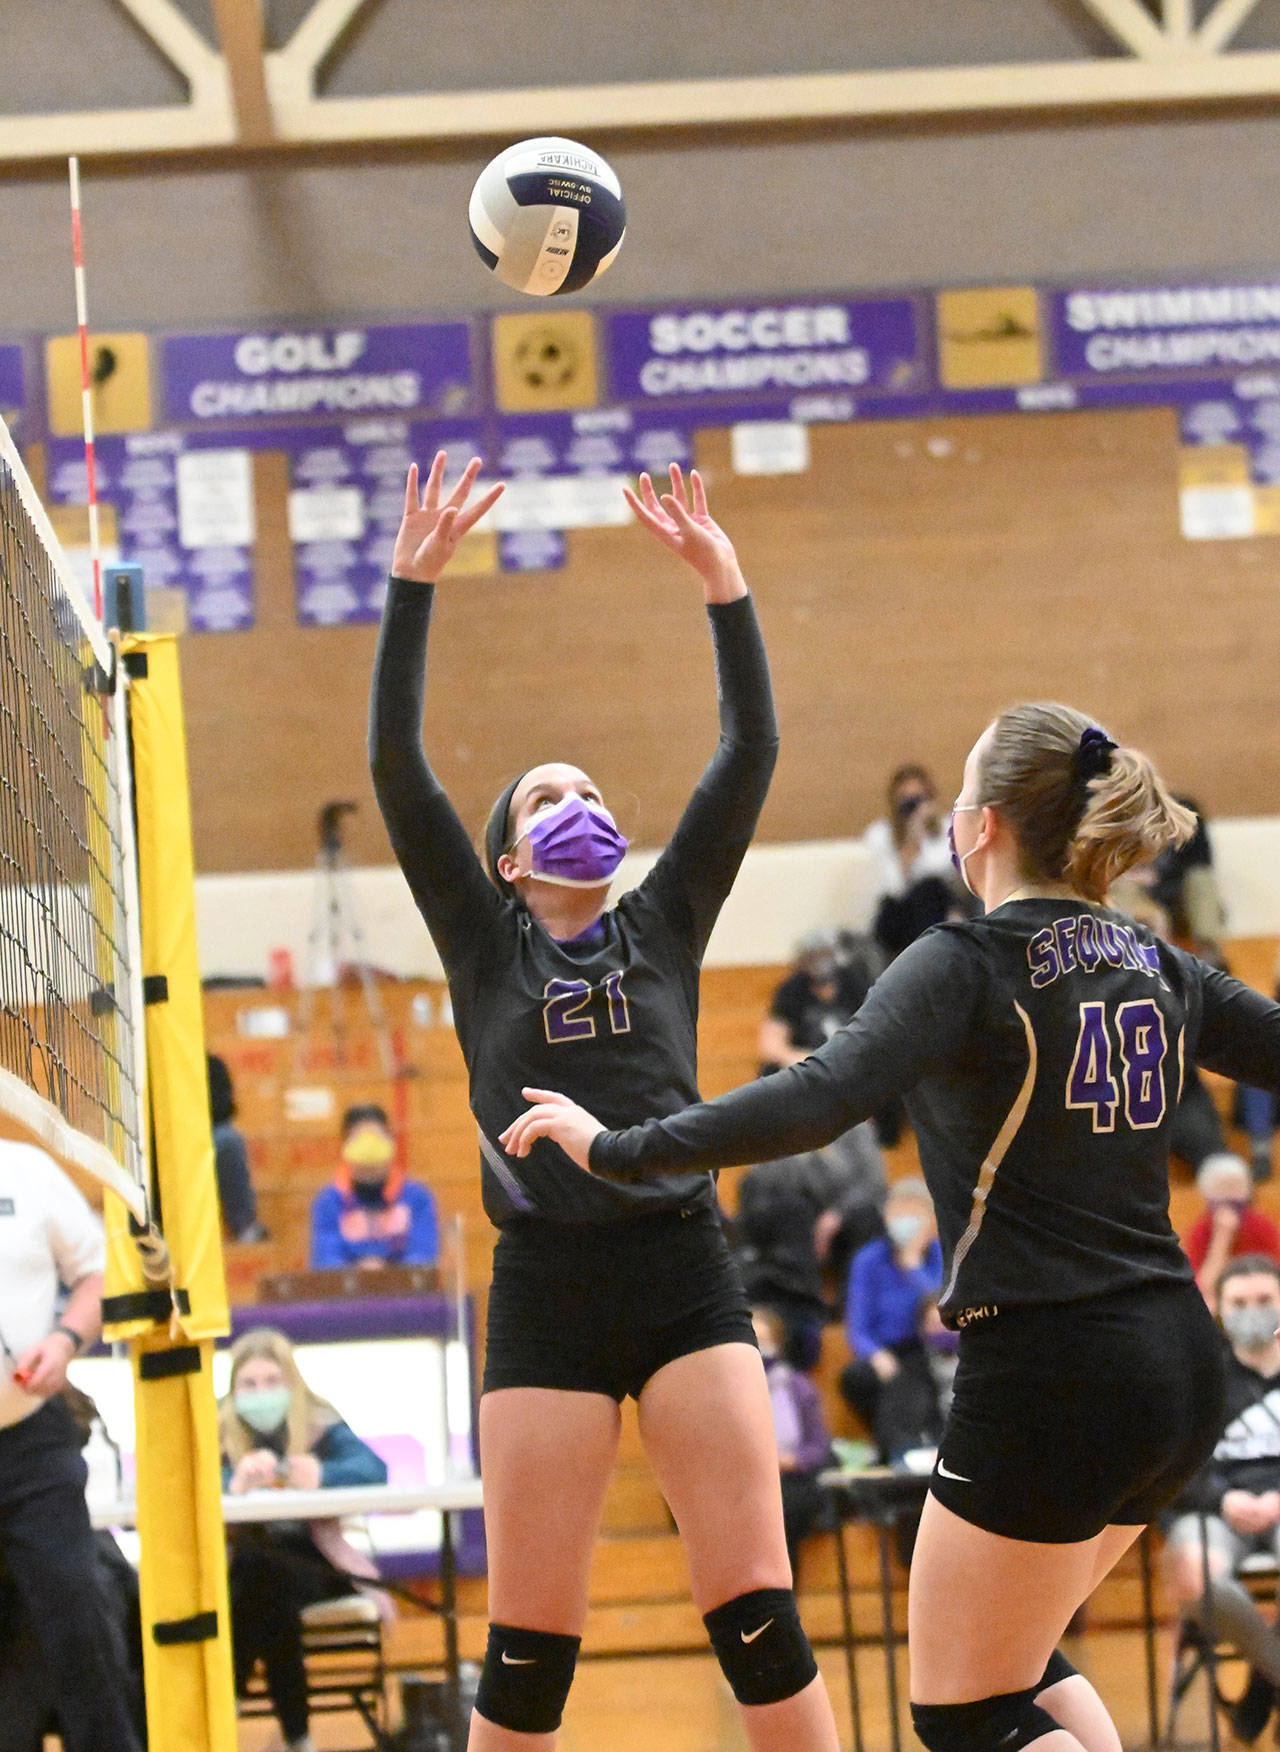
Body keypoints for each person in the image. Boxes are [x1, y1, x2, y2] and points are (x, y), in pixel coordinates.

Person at [504, 701, 1280, 1752]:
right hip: (1172, 1366)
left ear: (988, 821)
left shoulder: (961, 960)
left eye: (963, 791)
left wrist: (619, 1145)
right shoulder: (1153, 959)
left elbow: (814, 1097)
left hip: (1049, 1363)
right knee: (1019, 1664)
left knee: (965, 1711)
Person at [370, 453, 841, 1752]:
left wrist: (721, 580)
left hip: (682, 1266)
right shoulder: (483, 939)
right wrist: (414, 584)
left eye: (589, 788)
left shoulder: (666, 918)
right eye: (547, 797)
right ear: (512, 859)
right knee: (528, 1648)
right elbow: (397, 763)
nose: (578, 803)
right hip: (547, 1289)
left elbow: (751, 746)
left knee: (756, 1613)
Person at [0, 1139, 141, 1752]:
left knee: (80, 1628)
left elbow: (98, 1272)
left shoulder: (26, 1169)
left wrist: (62, 1341)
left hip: (33, 1441)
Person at [221, 1327, 388, 1752]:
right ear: (233, 1389)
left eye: (272, 1382)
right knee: (262, 1583)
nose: (261, 1393)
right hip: (243, 1564)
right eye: (250, 1384)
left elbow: (373, 1471)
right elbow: (185, 1489)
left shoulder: (318, 1421)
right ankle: (300, 1740)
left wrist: (323, 1476)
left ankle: (223, 1725)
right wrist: (232, 1486)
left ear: (291, 1383)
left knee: (256, 1585)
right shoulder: (216, 1428)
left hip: (315, 1561)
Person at [1164, 1256, 1280, 1742]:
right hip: (1211, 1509)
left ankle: (1259, 1693)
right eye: (1239, 1302)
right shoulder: (1194, 1375)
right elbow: (1169, 1465)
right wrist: (1222, 1499)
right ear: (1219, 1308)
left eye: (1264, 1300)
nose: (1251, 1311)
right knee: (1195, 1578)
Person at [734, 1122, 886, 1369]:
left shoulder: (855, 1127)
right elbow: (762, 1180)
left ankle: (845, 1310)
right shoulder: (777, 1122)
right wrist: (803, 1153)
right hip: (797, 1230)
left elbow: (874, 1186)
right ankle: (795, 1309)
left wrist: (837, 1214)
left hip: (842, 1223)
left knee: (868, 1220)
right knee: (788, 1209)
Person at [839, 1178, 945, 1462]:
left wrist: (913, 1266)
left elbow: (943, 1318)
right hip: (885, 1352)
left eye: (913, 1214)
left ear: (931, 1219)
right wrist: (875, 1355)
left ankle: (904, 1452)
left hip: (931, 1349)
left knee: (914, 1373)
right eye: (897, 1213)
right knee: (858, 1377)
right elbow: (857, 1327)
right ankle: (899, 1451)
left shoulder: (942, 1256)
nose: (904, 1222)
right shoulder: (868, 1259)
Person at [752, 1308, 834, 1583]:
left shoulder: (798, 1386)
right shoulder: (723, 1391)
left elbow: (818, 1444)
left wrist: (794, 1460)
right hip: (746, 1482)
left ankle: (783, 1591)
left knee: (781, 1510)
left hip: (792, 1479)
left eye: (764, 1341)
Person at [309, 1103, 439, 1270]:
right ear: (345, 1147)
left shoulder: (418, 1198)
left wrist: (385, 1274)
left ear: (390, 1143)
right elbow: (326, 1260)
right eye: (360, 1145)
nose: (369, 1158)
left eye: (376, 1144)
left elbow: (423, 1256)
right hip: (348, 1294)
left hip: (403, 1293)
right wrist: (361, 1274)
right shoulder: (328, 1201)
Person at [863, 764, 961, 962]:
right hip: (897, 916)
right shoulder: (880, 835)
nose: (913, 808)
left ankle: (922, 960)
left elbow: (948, 872)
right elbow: (893, 890)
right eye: (907, 802)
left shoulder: (946, 829)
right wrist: (909, 847)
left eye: (919, 799)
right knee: (921, 892)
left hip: (937, 908)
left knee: (930, 889)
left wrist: (924, 830)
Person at [758, 932, 875, 1074]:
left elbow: (874, 1029)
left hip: (849, 1064)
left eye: (825, 955)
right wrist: (809, 1061)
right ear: (803, 962)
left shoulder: (854, 981)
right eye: (814, 957)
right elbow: (772, 1047)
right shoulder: (792, 989)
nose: (821, 963)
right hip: (807, 1067)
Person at [1183, 1153, 1280, 1307]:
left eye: (1235, 1187)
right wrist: (1222, 1237)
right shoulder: (1200, 1230)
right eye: (1221, 1188)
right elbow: (1204, 1287)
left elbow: (1274, 1276)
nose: (1229, 1195)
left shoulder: (1262, 1224)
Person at [209, 1051, 268, 1242]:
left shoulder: (211, 1065)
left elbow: (224, 1106)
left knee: (228, 1140)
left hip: (207, 1132)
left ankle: (243, 1224)